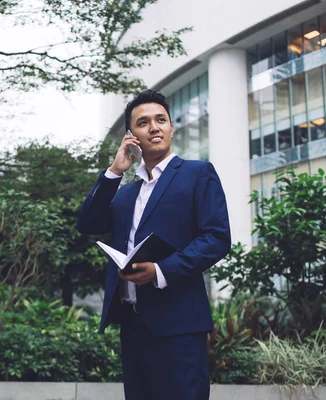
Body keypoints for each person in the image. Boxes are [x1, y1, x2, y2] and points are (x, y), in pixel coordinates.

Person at [76, 89, 231, 400]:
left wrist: (161, 270)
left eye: (161, 120)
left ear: (172, 128)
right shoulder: (124, 192)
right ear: (132, 136)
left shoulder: (197, 174)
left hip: (179, 325)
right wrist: (114, 171)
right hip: (132, 324)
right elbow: (88, 224)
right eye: (144, 122)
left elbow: (216, 238)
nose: (155, 127)